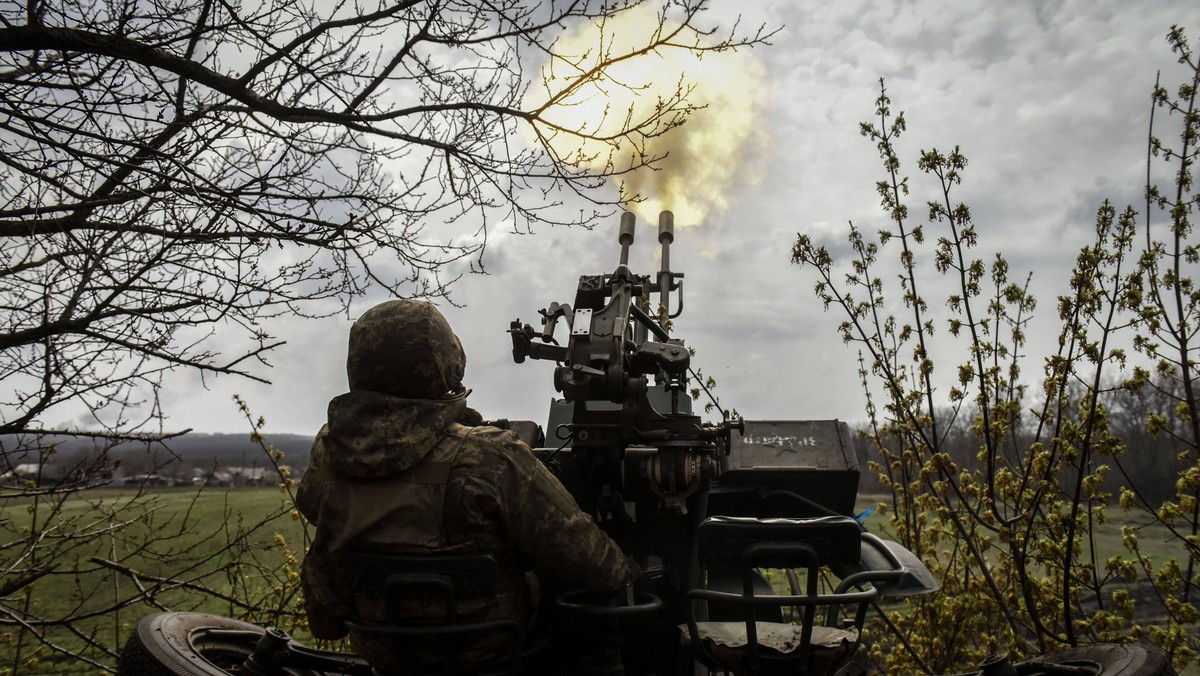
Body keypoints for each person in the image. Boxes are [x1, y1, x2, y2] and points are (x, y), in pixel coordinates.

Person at [297, 299, 636, 673]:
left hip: (384, 653)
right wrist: (629, 568)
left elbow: (316, 508)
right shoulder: (490, 456)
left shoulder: (328, 453)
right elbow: (598, 567)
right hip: (492, 655)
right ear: (446, 362)